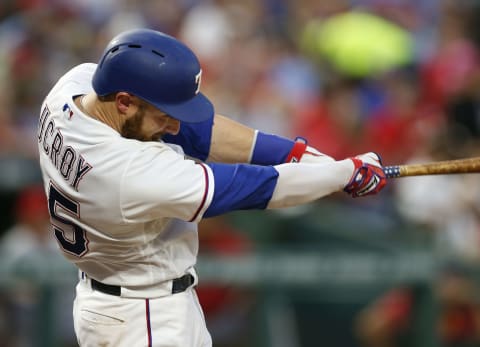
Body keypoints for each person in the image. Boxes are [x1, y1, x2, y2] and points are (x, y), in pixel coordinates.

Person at [37, 28, 387, 347]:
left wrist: (296, 153)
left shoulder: (68, 92)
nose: (173, 127)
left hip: (107, 302)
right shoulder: (130, 170)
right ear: (125, 101)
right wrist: (344, 174)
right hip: (145, 318)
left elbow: (199, 131)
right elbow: (255, 187)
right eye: (164, 115)